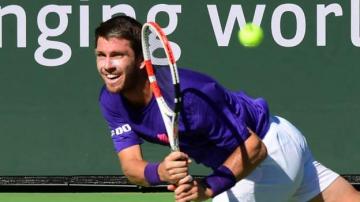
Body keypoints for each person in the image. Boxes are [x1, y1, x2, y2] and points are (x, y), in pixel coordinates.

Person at [94, 15, 360, 202]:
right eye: (101, 55)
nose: (107, 65)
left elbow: (254, 148)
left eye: (117, 55)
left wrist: (207, 188)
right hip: (276, 145)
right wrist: (159, 172)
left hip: (268, 154)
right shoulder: (111, 98)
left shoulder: (191, 96)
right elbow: (131, 167)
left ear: (142, 60)